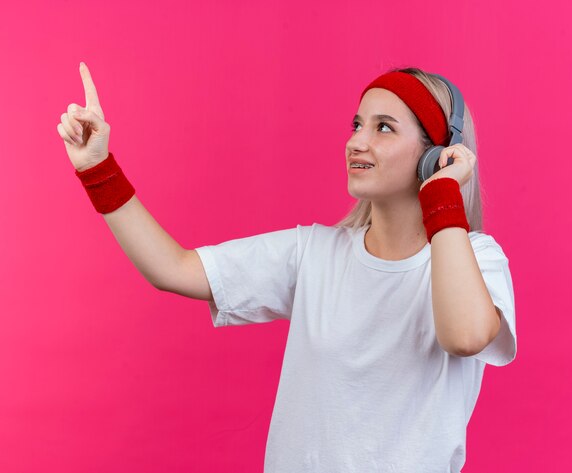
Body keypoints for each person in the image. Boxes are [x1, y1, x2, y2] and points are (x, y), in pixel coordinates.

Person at [58, 62, 517, 473]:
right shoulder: (313, 254)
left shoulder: (476, 258)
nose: (356, 141)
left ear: (437, 154)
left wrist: (442, 197)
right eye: (357, 124)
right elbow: (173, 268)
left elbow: (463, 336)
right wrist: (98, 167)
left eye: (384, 128)